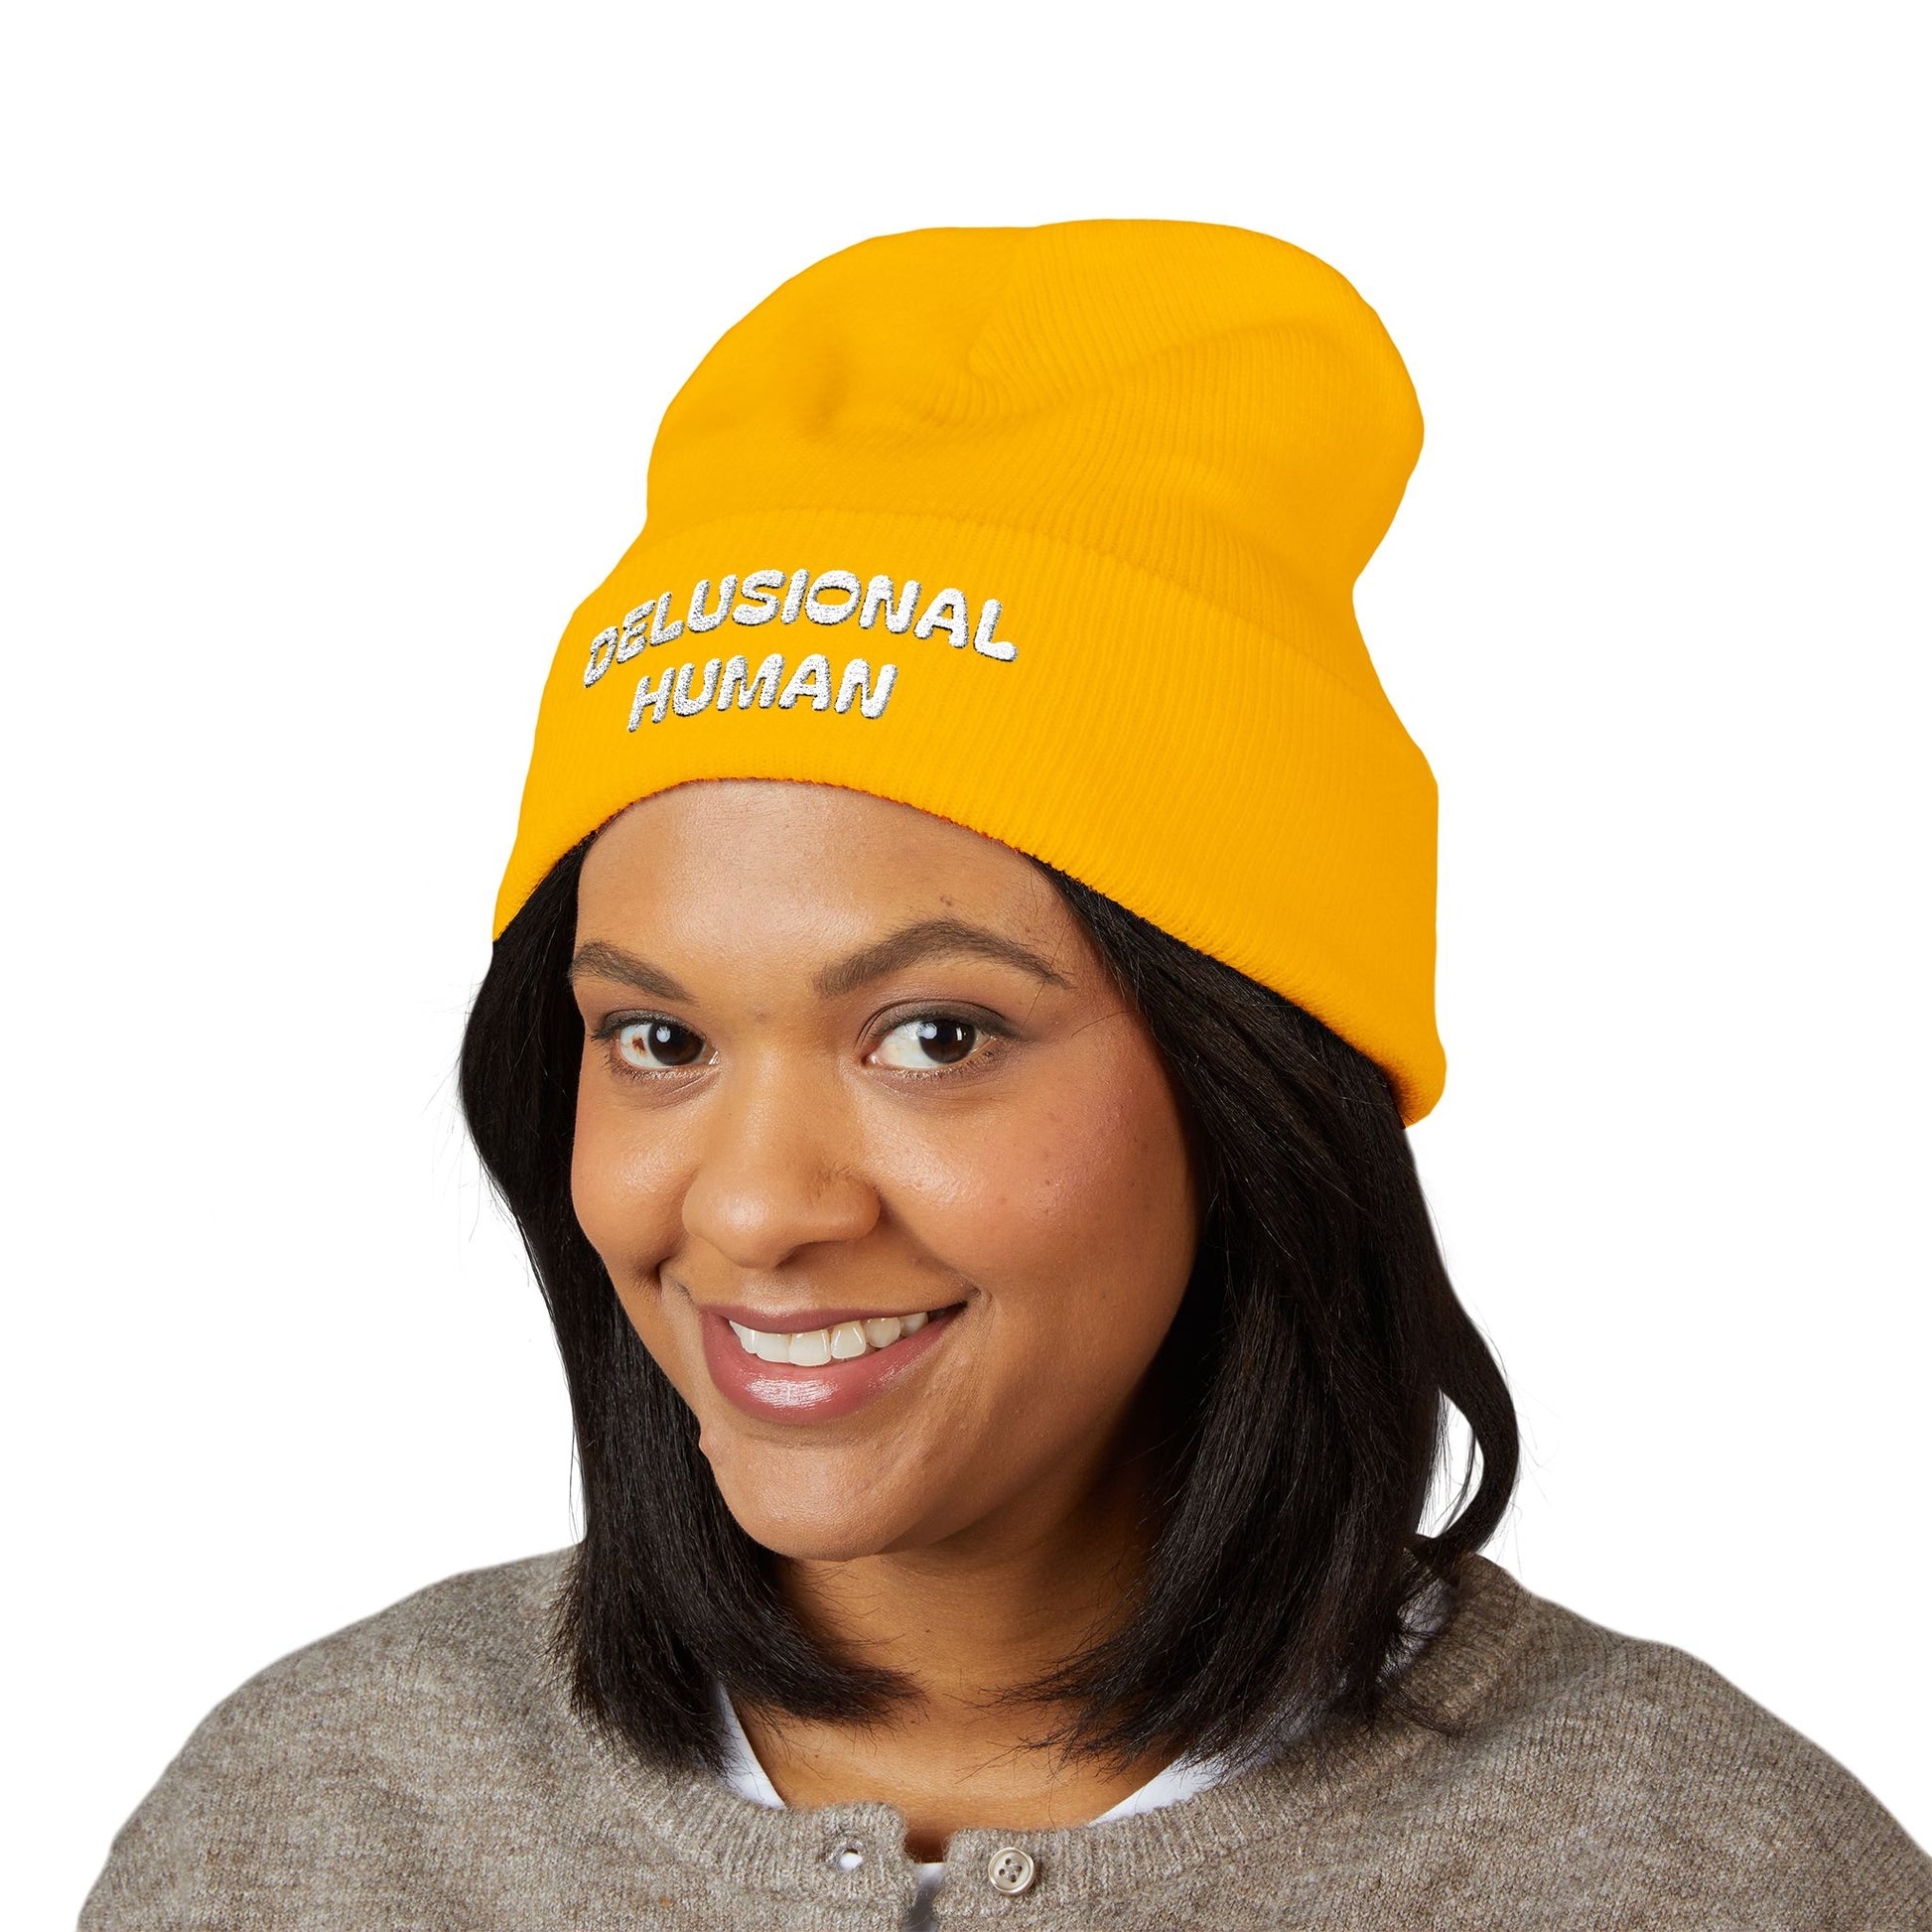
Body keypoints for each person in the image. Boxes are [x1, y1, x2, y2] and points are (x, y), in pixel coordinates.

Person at [79, 218, 1930, 1931]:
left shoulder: (1698, 1874)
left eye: (935, 1037)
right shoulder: (319, 1823)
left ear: (1254, 1093)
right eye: (659, 1038)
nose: (755, 1205)